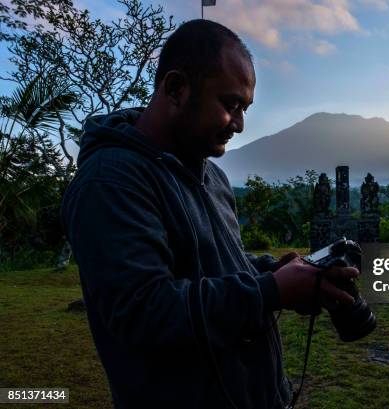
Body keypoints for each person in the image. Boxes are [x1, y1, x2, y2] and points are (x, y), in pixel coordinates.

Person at [61, 19, 358, 409]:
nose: (239, 124)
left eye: (245, 109)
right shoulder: (110, 182)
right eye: (230, 105)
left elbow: (213, 265)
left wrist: (276, 272)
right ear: (176, 88)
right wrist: (271, 292)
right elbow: (144, 312)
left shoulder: (211, 175)